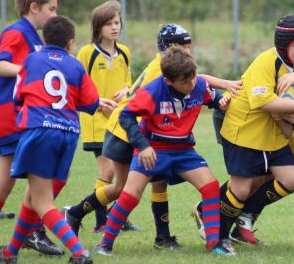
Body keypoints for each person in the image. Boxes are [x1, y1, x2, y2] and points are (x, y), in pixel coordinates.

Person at [64, 24, 239, 250]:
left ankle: (168, 238)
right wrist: (144, 145)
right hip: (127, 131)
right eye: (183, 47)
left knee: (163, 184)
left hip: (166, 138)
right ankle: (80, 217)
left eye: (188, 47)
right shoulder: (162, 74)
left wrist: (220, 98)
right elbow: (132, 113)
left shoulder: (185, 75)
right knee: (124, 190)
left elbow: (200, 85)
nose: (187, 52)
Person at [0, 15, 100, 264]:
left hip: (40, 132)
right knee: (31, 198)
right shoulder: (75, 65)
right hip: (68, 134)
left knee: (41, 201)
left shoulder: (32, 60)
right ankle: (10, 253)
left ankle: (79, 252)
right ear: (70, 43)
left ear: (43, 39)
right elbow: (90, 102)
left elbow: (19, 97)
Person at [0, 0, 64, 257]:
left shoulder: (35, 37)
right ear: (33, 7)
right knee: (31, 178)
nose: (55, 15)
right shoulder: (16, 31)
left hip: (25, 118)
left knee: (24, 180)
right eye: (51, 8)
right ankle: (23, 233)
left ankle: (13, 236)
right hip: (12, 117)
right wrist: (28, 69)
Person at [215, 14, 294, 252]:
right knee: (240, 188)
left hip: (274, 137)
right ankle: (219, 239)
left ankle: (243, 214)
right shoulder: (267, 61)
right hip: (244, 132)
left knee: (291, 179)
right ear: (284, 45)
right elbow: (262, 101)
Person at [77, 0, 138, 233]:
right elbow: (78, 83)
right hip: (95, 121)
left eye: (117, 22)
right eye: (109, 23)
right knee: (108, 171)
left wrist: (127, 90)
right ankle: (101, 221)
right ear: (97, 27)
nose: (114, 27)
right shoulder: (87, 53)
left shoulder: (124, 53)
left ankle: (116, 216)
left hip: (119, 122)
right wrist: (97, 102)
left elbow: (130, 84)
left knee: (125, 173)